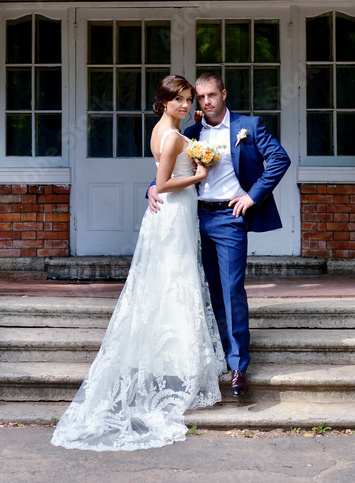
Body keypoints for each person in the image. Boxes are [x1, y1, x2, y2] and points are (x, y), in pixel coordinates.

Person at [50, 75, 226, 451]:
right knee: (177, 281)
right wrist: (199, 174)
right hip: (174, 211)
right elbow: (162, 184)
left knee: (167, 282)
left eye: (189, 100)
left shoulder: (160, 130)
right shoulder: (175, 136)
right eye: (179, 100)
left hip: (170, 216)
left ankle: (169, 361)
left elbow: (160, 178)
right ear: (164, 102)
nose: (186, 106)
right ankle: (177, 367)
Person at [148, 72, 290, 398]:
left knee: (230, 289)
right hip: (196, 218)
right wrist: (152, 188)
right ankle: (223, 352)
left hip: (230, 217)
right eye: (200, 97)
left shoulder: (248, 127)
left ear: (223, 93)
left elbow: (279, 159)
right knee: (211, 291)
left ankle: (239, 365)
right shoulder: (193, 131)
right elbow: (171, 167)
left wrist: (252, 196)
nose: (206, 102)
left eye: (212, 95)